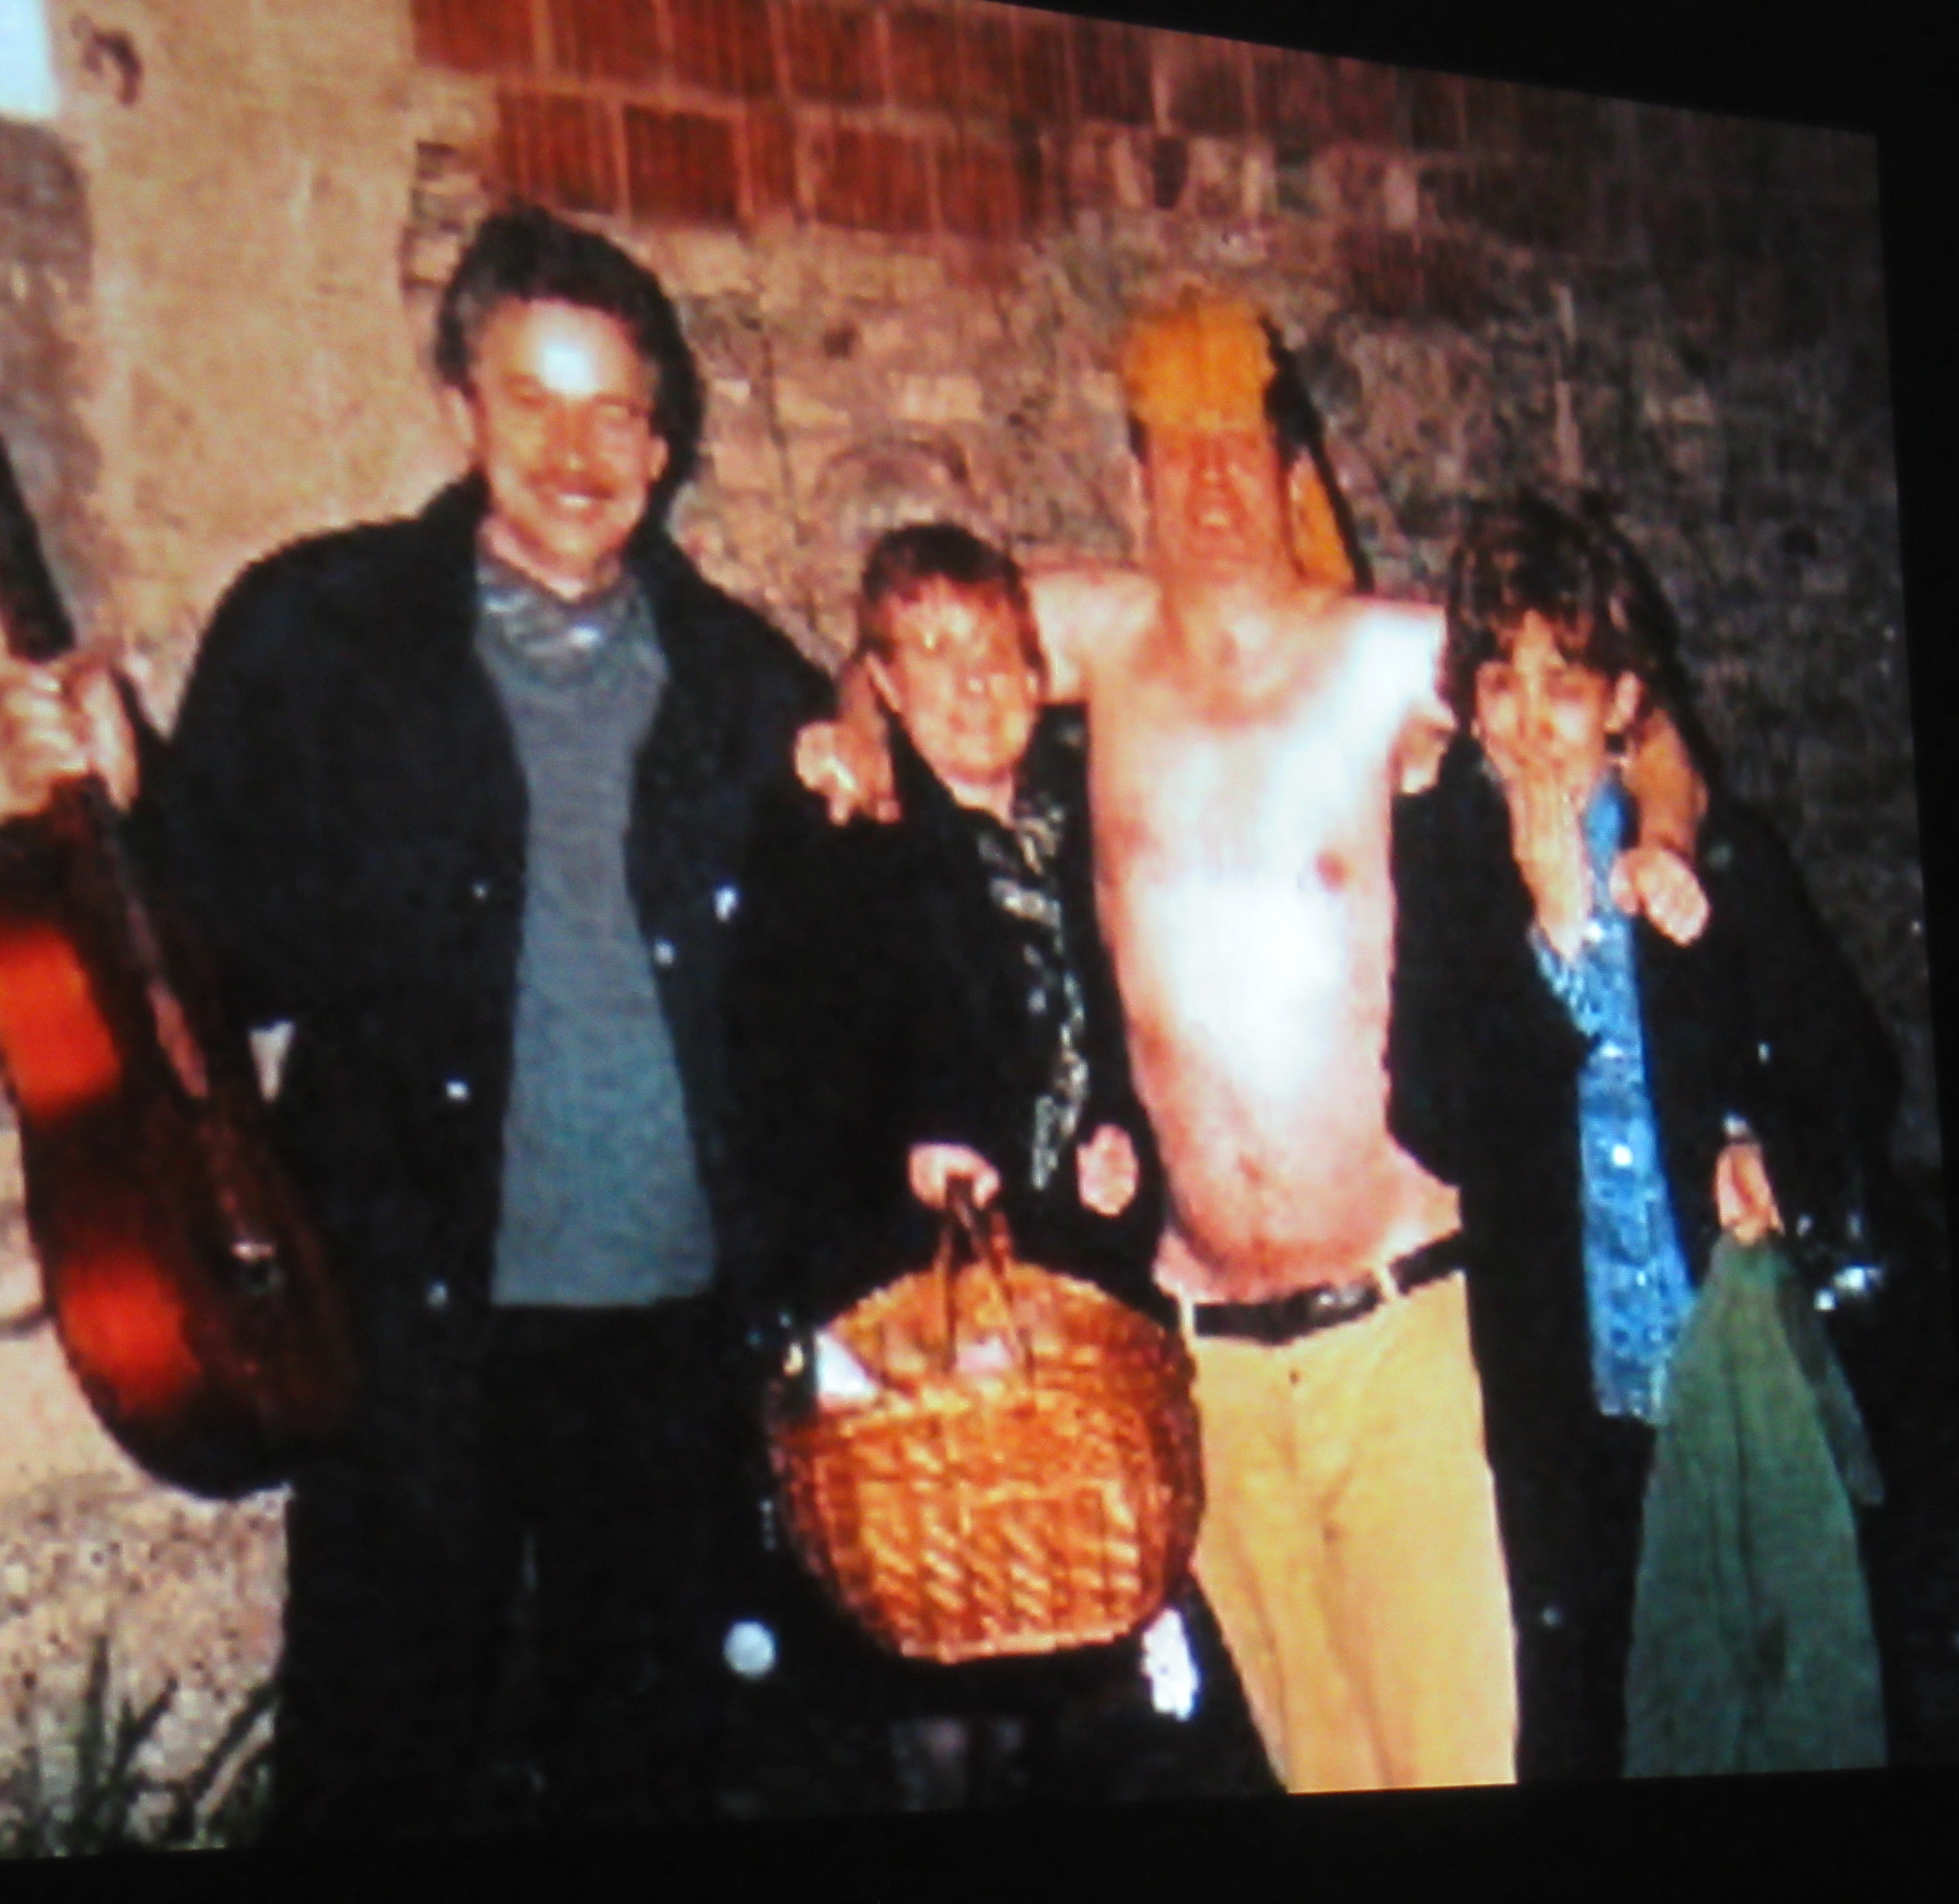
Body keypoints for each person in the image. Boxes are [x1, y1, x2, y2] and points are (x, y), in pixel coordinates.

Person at [0, 205, 832, 1838]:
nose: (574, 454)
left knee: (648, 1771)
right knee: (383, 1763)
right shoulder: (317, 632)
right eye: (533, 400)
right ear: (460, 408)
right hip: (408, 1328)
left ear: (662, 447)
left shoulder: (750, 685)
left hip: (671, 1342)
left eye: (613, 413)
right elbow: (219, 962)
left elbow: (825, 996)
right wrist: (119, 792)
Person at [797, 290, 1711, 1793]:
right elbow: (896, 638)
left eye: (1243, 447)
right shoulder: (1093, 636)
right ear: (1135, 479)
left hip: (1397, 1331)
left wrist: (1659, 838)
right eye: (1180, 451)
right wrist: (854, 725)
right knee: (1315, 1771)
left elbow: (1642, 710)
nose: (1213, 482)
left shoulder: (1386, 659)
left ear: (1297, 475)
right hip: (1205, 1350)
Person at [730, 521, 1272, 1808]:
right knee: (941, 1685)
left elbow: (1140, 1028)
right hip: (912, 1325)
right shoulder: (841, 834)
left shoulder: (1086, 823)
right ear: (883, 681)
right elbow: (776, 1072)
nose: (972, 685)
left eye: (996, 653)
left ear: (1039, 676)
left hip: (1065, 1322)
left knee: (1081, 1670)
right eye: (931, 653)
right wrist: (903, 1149)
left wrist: (1118, 1143)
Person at [1387, 490, 1900, 1778]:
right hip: (1565, 1396)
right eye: (1500, 682)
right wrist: (1553, 939)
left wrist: (1769, 1152)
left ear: (1623, 702)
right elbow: (1430, 1116)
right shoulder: (1451, 868)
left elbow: (1849, 1064)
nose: (1528, 718)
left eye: (1564, 684)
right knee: (1589, 1717)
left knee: (1755, 1707)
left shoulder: (1710, 852)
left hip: (1721, 1372)